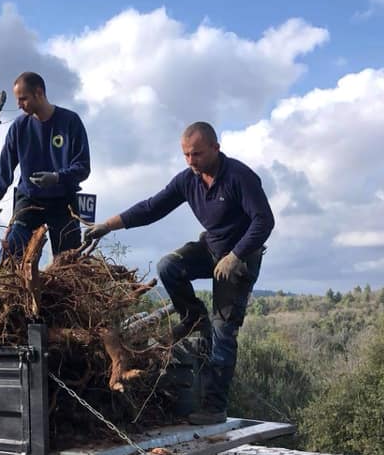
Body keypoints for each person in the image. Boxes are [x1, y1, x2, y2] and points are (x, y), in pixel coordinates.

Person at [84, 122, 274, 425]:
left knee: (223, 332)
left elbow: (264, 222)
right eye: (185, 155)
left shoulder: (240, 177)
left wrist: (236, 255)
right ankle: (193, 315)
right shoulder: (189, 180)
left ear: (215, 148)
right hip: (210, 249)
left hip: (240, 259)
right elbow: (151, 208)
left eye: (196, 154)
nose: (190, 161)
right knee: (168, 266)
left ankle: (214, 408)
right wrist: (107, 225)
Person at [0, 71, 90, 260]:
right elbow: (4, 168)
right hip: (29, 199)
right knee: (12, 251)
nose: (19, 105)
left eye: (23, 99)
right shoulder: (19, 127)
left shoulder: (70, 122)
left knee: (69, 262)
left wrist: (57, 178)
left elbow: (83, 167)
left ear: (39, 92)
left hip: (63, 201)